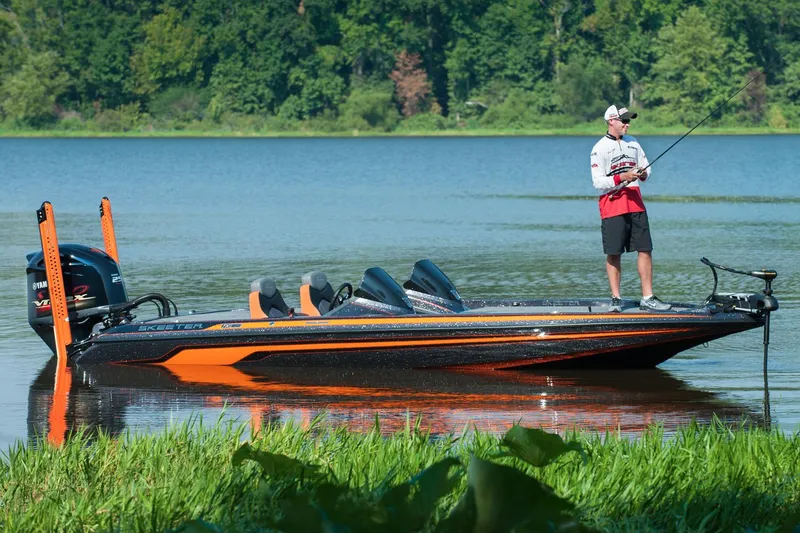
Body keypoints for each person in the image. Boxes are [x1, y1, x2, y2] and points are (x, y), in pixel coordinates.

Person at [589, 105, 671, 312]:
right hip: (612, 205)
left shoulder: (633, 143)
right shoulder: (599, 148)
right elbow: (598, 182)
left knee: (645, 249)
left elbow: (646, 167)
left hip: (635, 202)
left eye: (629, 121)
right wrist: (621, 177)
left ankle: (648, 297)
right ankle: (616, 299)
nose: (627, 124)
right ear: (611, 121)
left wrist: (643, 174)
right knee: (614, 252)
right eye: (623, 121)